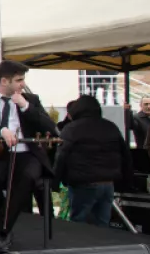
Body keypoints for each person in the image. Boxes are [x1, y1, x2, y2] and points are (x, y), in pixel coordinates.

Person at [0, 60, 58, 253]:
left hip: (27, 153)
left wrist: (25, 107)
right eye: (19, 80)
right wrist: (0, 130)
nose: (22, 84)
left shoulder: (31, 100)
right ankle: (2, 231)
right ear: (4, 81)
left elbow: (50, 127)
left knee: (28, 177)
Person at [54, 94, 133, 227]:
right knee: (102, 224)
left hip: (82, 182)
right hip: (108, 183)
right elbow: (126, 155)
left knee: (79, 224)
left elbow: (61, 156)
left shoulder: (72, 128)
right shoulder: (110, 126)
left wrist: (55, 181)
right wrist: (127, 181)